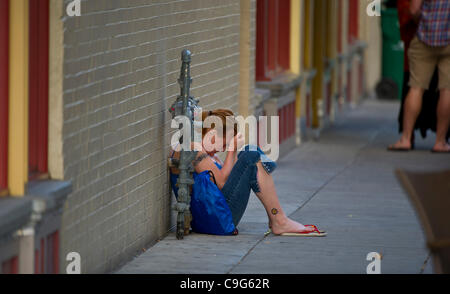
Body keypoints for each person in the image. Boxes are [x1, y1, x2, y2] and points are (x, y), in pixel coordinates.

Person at [169, 109, 326, 237]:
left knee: (249, 153)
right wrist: (232, 151)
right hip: (214, 219)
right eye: (224, 143)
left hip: (215, 215)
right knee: (251, 155)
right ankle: (279, 220)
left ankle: (277, 218)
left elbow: (225, 182)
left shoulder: (206, 154)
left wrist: (238, 156)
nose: (223, 148)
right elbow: (222, 183)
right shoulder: (193, 148)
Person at [389, 0, 450, 153]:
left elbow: (414, 9)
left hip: (424, 38)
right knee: (447, 90)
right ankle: (440, 142)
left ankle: (406, 139)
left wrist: (423, 22)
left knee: (416, 87)